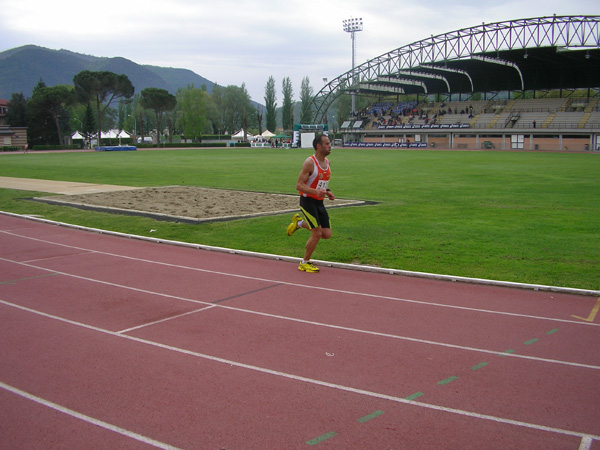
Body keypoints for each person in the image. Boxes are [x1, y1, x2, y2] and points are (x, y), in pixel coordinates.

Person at [286, 134, 335, 273]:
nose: (330, 146)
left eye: (329, 143)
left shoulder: (328, 163)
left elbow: (321, 185)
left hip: (319, 202)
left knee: (327, 234)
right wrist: (314, 192)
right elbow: (299, 186)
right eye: (326, 143)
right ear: (318, 146)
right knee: (317, 232)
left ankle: (299, 223)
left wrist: (328, 192)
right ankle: (304, 262)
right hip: (307, 201)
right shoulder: (310, 163)